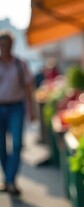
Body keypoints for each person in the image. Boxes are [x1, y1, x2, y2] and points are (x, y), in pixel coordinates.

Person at [0, 30, 35, 195]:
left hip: (16, 107)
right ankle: (8, 179)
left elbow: (28, 89)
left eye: (7, 44)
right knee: (1, 146)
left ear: (12, 45)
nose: (4, 48)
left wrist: (32, 110)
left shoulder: (20, 64)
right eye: (2, 44)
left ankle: (10, 180)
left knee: (16, 144)